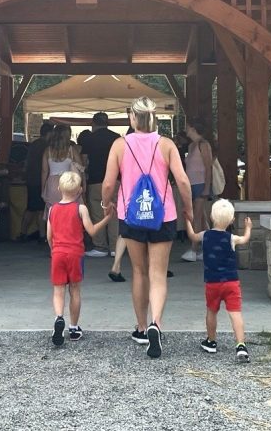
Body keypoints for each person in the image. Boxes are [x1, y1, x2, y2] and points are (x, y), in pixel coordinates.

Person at [101, 96, 192, 358]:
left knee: (139, 272)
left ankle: (141, 328)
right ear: (155, 118)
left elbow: (108, 183)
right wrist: (190, 208)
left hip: (131, 216)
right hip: (163, 216)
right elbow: (183, 181)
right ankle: (156, 324)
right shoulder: (167, 144)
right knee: (158, 274)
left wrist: (107, 204)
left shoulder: (119, 145)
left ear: (132, 118)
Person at [47, 170, 112, 345]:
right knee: (75, 290)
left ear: (59, 188)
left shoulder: (52, 209)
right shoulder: (80, 208)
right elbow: (91, 231)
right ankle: (74, 328)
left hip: (58, 253)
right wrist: (107, 218)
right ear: (80, 190)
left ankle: (59, 318)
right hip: (75, 254)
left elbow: (49, 235)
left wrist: (54, 249)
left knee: (58, 290)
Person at [186, 199, 252, 362]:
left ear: (211, 217)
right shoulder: (231, 238)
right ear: (231, 220)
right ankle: (241, 346)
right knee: (235, 313)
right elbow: (245, 239)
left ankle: (211, 341)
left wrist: (188, 222)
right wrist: (248, 228)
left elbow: (192, 236)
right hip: (231, 283)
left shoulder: (205, 235)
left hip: (212, 283)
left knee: (211, 311)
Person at [80, 112, 120, 258]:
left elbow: (84, 161)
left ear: (93, 123)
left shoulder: (89, 139)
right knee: (114, 212)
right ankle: (115, 246)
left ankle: (100, 246)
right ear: (107, 123)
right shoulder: (117, 137)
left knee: (98, 212)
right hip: (115, 179)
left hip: (96, 179)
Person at [181, 118, 215, 262]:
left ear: (193, 129)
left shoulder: (204, 145)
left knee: (197, 216)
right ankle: (209, 247)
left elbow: (208, 167)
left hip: (201, 184)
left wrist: (207, 187)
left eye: (188, 127)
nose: (186, 130)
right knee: (201, 218)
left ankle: (194, 249)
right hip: (192, 184)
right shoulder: (192, 146)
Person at [19, 121, 53, 242]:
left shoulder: (34, 144)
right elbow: (45, 167)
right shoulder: (46, 147)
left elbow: (27, 163)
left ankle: (23, 233)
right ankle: (42, 236)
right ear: (49, 133)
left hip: (31, 179)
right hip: (40, 180)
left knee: (31, 208)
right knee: (40, 209)